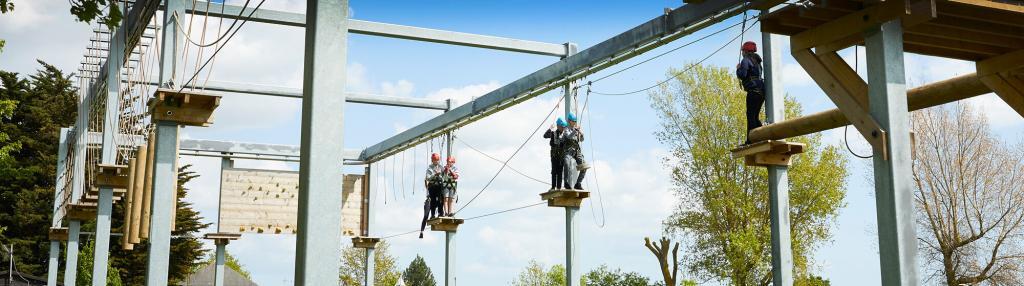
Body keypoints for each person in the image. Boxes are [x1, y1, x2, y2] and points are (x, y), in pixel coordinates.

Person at [736, 41, 765, 145]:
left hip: (753, 90)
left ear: (745, 51)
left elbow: (743, 75)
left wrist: (738, 69)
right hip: (761, 91)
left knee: (750, 115)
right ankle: (762, 135)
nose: (742, 53)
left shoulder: (746, 60)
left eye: (743, 50)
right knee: (755, 116)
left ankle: (751, 140)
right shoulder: (757, 62)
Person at [419, 153, 445, 238]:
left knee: (440, 199)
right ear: (432, 160)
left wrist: (440, 175)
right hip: (432, 187)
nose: (436, 161)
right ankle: (433, 214)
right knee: (433, 201)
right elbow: (428, 178)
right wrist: (435, 175)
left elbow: (444, 177)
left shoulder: (441, 167)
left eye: (437, 160)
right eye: (435, 160)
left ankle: (441, 212)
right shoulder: (430, 168)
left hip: (439, 186)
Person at [563, 113, 587, 190]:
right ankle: (566, 182)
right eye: (573, 121)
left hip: (576, 151)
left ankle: (578, 183)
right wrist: (575, 131)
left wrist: (581, 134)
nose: (574, 122)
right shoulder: (566, 129)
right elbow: (569, 137)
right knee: (566, 164)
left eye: (575, 121)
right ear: (569, 121)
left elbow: (581, 140)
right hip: (569, 150)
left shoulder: (576, 129)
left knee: (584, 166)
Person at [543, 118, 568, 190]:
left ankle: (559, 187)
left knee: (560, 172)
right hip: (554, 156)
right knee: (554, 171)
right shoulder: (553, 133)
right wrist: (550, 128)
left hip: (561, 156)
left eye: (564, 127)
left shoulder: (564, 135)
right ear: (558, 126)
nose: (563, 128)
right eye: (562, 127)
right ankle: (553, 187)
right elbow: (545, 136)